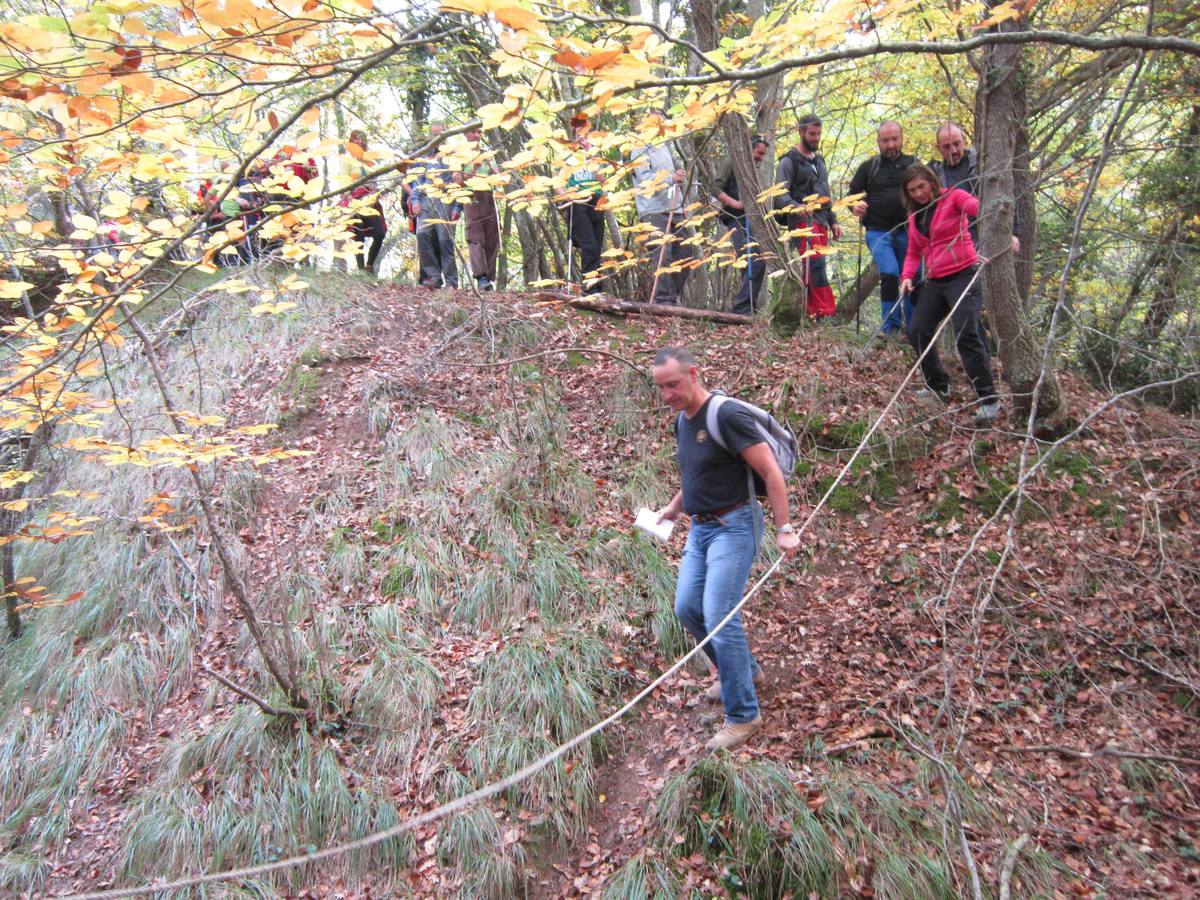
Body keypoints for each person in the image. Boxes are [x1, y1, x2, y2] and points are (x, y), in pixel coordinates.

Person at [651, 346, 800, 752]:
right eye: (661, 388)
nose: (668, 395)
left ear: (693, 374)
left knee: (719, 614)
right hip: (700, 529)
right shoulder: (683, 422)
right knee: (687, 608)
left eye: (674, 385)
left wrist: (785, 528)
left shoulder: (726, 416)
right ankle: (743, 670)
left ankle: (743, 714)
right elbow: (697, 474)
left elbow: (769, 471)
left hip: (735, 526)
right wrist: (673, 508)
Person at [898, 164, 1001, 427]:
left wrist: (1002, 233)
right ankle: (938, 386)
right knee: (917, 329)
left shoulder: (953, 196)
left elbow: (980, 209)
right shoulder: (915, 216)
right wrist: (908, 276)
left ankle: (988, 399)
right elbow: (913, 252)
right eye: (913, 190)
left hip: (963, 274)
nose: (919, 193)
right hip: (935, 279)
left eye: (922, 186)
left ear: (931, 182)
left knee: (966, 333)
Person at [848, 121, 918, 337]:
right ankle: (891, 327)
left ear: (902, 138)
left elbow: (927, 192)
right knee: (889, 272)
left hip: (908, 231)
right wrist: (855, 206)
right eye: (885, 140)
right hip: (878, 231)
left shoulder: (913, 165)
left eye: (894, 139)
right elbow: (851, 196)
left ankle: (914, 329)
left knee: (913, 277)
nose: (890, 144)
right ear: (878, 141)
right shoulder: (869, 167)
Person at [774, 113, 841, 318]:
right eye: (812, 134)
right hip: (801, 222)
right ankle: (822, 312)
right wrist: (796, 206)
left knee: (818, 265)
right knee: (814, 265)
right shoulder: (788, 161)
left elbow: (825, 194)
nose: (816, 138)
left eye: (819, 134)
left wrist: (834, 221)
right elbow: (778, 194)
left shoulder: (819, 161)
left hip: (821, 221)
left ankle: (814, 312)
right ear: (801, 131)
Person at [631, 116, 696, 305]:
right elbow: (644, 181)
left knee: (685, 253)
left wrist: (681, 204)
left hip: (674, 208)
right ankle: (663, 299)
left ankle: (671, 297)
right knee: (662, 254)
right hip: (653, 210)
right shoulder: (640, 148)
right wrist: (670, 179)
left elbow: (673, 180)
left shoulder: (665, 147)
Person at [930, 122, 1019, 256]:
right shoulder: (934, 177)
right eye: (947, 147)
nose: (953, 150)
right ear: (938, 148)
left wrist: (1014, 233)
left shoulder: (983, 163)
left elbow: (1005, 195)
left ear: (964, 141)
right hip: (957, 247)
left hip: (991, 236)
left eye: (957, 143)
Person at [711, 135, 770, 315]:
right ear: (749, 150)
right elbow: (714, 188)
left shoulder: (754, 172)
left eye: (763, 155)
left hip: (751, 219)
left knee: (753, 261)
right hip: (735, 217)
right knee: (753, 260)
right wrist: (736, 204)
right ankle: (743, 308)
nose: (760, 158)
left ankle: (747, 307)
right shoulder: (732, 163)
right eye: (759, 153)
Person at [409, 124, 461, 289]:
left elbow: (458, 184)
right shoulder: (426, 157)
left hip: (445, 200)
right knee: (422, 235)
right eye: (434, 135)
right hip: (425, 200)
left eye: (440, 135)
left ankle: (451, 281)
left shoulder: (452, 157)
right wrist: (415, 200)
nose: (437, 139)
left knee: (445, 241)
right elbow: (418, 181)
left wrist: (457, 207)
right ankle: (433, 276)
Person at [558, 119, 607, 294]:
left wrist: (591, 157)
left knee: (597, 245)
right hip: (577, 202)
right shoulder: (566, 155)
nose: (582, 139)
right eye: (579, 135)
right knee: (589, 245)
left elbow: (603, 180)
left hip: (596, 200)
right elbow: (558, 182)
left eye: (585, 135)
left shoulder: (595, 155)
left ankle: (595, 287)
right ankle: (590, 288)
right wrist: (566, 198)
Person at [460, 126, 501, 291]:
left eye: (479, 132)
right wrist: (474, 169)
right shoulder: (459, 154)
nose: (477, 135)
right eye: (473, 132)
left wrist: (491, 167)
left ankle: (490, 278)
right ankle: (481, 277)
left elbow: (498, 178)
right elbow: (457, 180)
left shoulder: (487, 153)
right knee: (476, 237)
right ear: (465, 134)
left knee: (493, 238)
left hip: (489, 196)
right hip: (471, 196)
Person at [342, 130, 387, 274]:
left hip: (370, 200)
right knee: (358, 234)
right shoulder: (347, 160)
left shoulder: (369, 160)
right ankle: (361, 268)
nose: (359, 142)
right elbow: (344, 182)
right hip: (354, 200)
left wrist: (375, 194)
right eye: (356, 140)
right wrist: (349, 199)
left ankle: (369, 265)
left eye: (361, 139)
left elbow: (375, 179)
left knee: (379, 233)